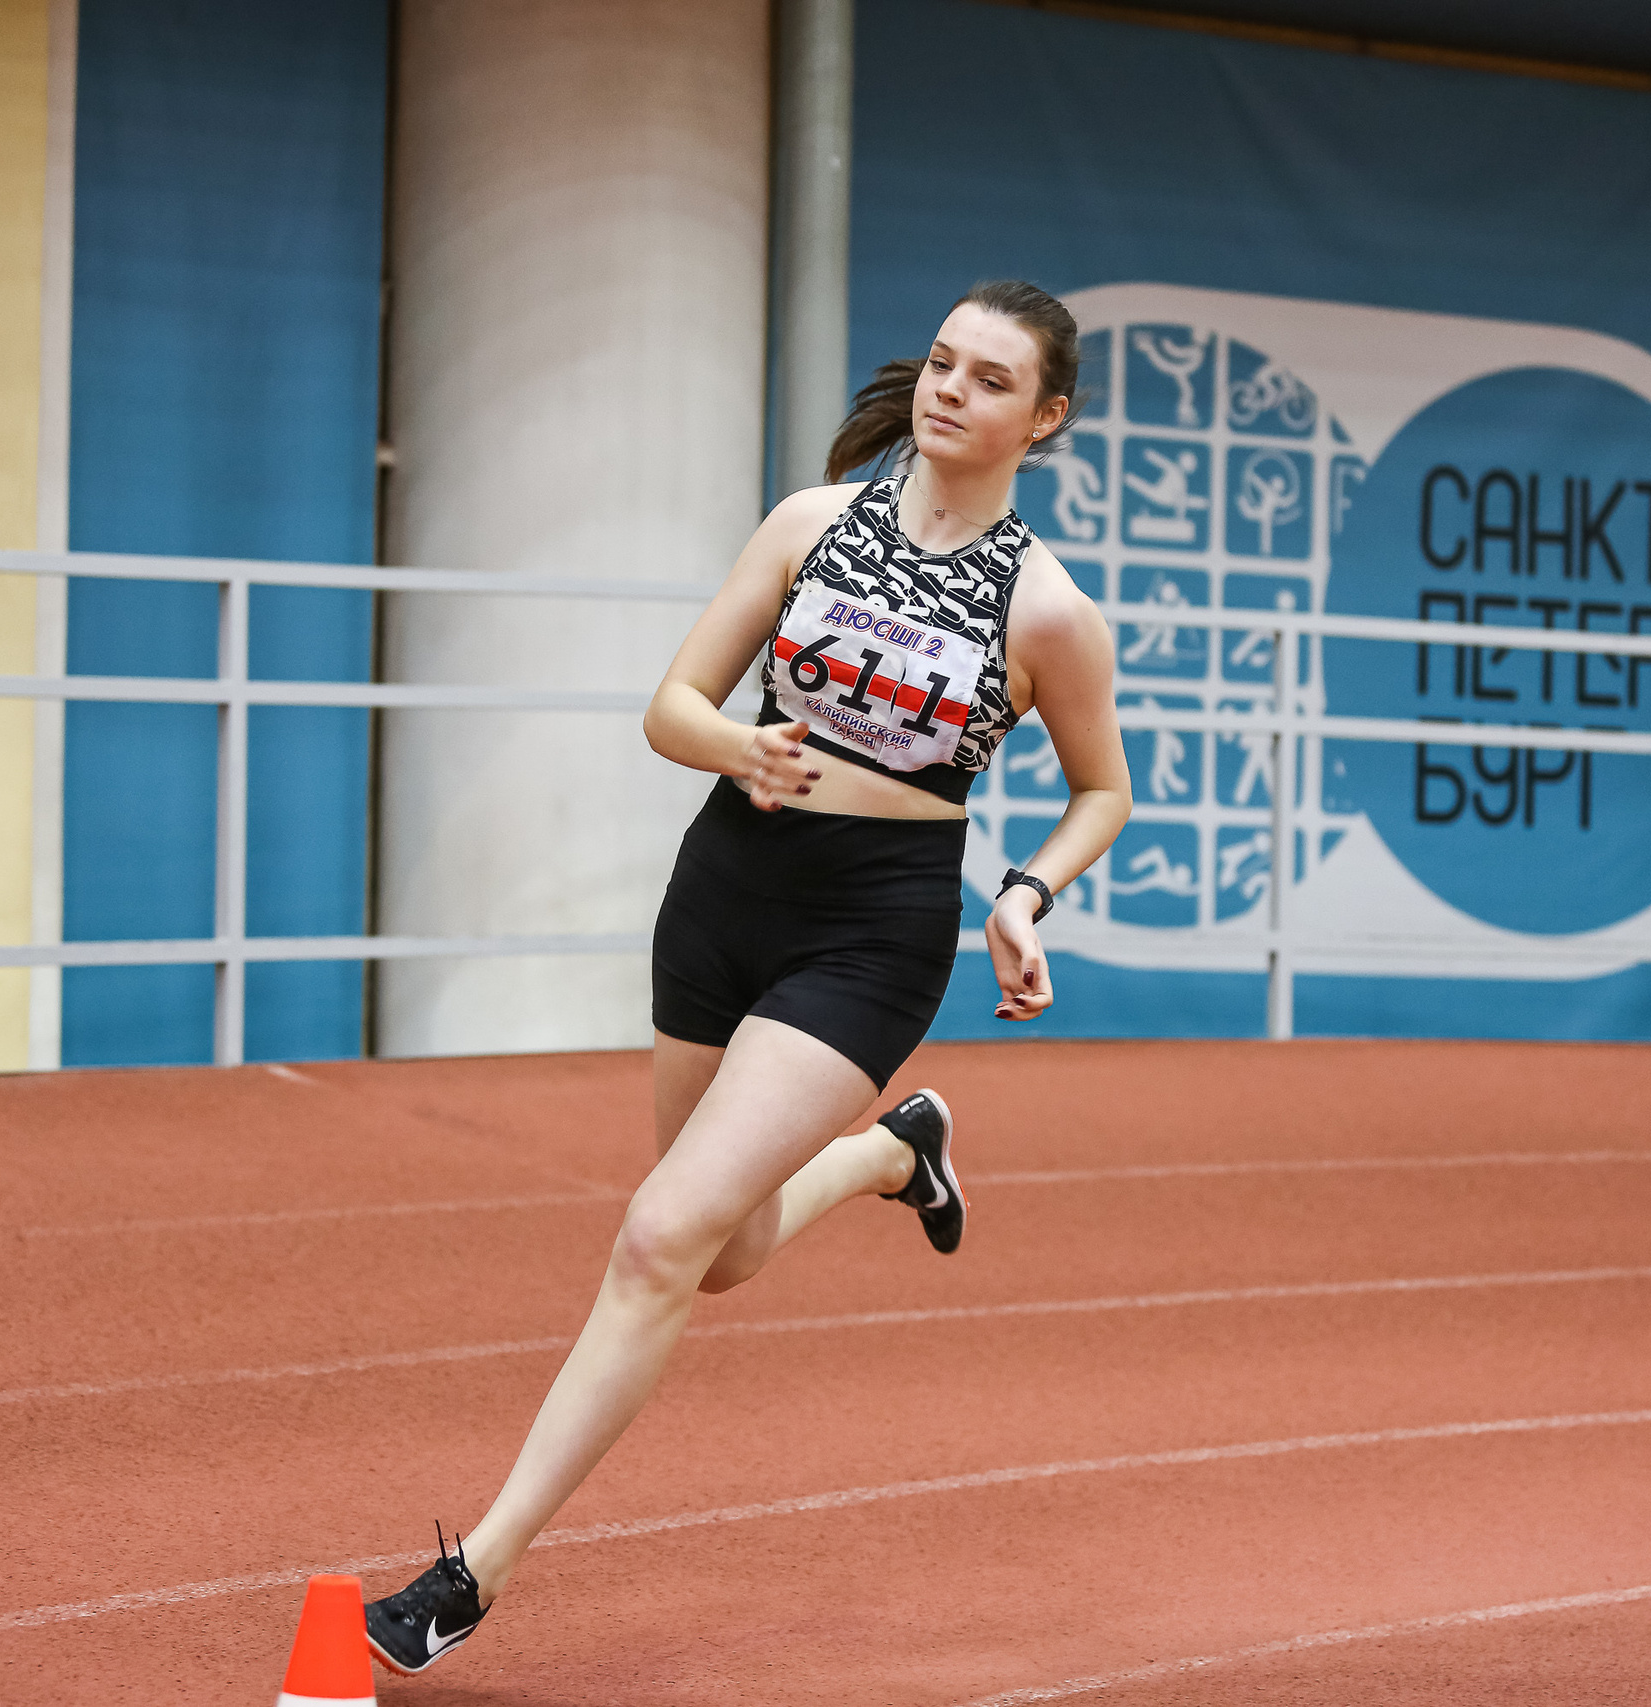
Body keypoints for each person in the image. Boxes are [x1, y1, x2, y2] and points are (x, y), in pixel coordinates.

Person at [362, 279, 1132, 1675]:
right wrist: (740, 750)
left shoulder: (1049, 609)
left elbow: (1103, 790)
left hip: (874, 932)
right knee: (719, 1257)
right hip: (724, 893)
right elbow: (672, 706)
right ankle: (892, 1159)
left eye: (992, 379)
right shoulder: (809, 527)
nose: (952, 389)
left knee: (660, 1238)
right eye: (943, 363)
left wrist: (1028, 892)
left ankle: (473, 1569)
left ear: (1047, 417)